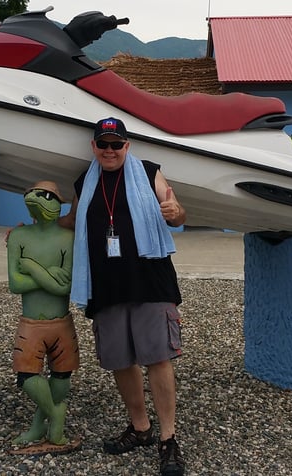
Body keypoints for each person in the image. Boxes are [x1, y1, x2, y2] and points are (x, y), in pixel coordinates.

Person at [59, 117, 187, 476]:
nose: (110, 150)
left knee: (158, 358)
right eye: (104, 144)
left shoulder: (149, 173)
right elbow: (71, 221)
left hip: (150, 280)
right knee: (120, 360)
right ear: (94, 147)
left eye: (117, 144)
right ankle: (140, 427)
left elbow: (176, 212)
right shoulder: (85, 182)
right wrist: (32, 229)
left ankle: (168, 439)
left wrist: (176, 213)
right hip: (106, 285)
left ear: (127, 146)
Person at [6, 180, 78, 447]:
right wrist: (50, 276)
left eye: (47, 196)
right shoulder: (18, 237)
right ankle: (55, 414)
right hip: (31, 323)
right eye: (32, 194)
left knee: (62, 374)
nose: (38, 198)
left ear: (59, 205)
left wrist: (32, 268)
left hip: (61, 322)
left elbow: (66, 287)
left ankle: (39, 427)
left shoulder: (67, 239)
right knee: (26, 375)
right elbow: (15, 284)